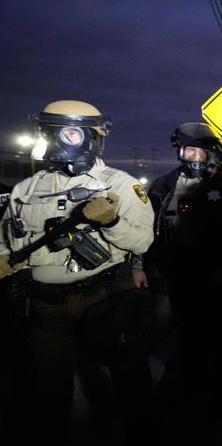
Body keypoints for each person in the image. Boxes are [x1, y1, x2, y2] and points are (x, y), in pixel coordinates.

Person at [0, 100, 155, 446]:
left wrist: (112, 222)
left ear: (91, 138)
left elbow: (143, 241)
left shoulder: (119, 184)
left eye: (69, 133)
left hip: (103, 298)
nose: (59, 142)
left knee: (129, 379)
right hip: (46, 308)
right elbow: (6, 240)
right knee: (46, 391)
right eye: (52, 133)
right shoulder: (26, 189)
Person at [140, 122, 222, 426]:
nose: (196, 155)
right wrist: (149, 267)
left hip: (215, 274)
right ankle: (195, 387)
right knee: (188, 334)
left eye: (201, 150)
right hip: (177, 273)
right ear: (180, 151)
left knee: (219, 334)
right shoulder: (161, 185)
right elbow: (150, 229)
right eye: (190, 149)